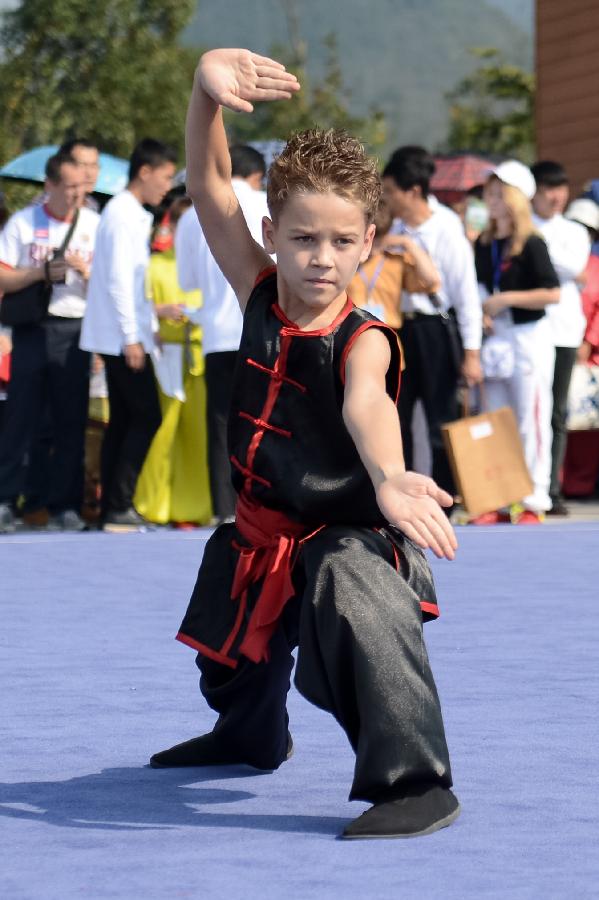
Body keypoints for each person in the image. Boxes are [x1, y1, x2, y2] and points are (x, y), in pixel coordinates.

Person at [150, 48, 460, 842]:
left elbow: (367, 407)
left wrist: (389, 478)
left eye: (340, 241)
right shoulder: (256, 287)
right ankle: (250, 734)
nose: (321, 258)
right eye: (303, 239)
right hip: (262, 523)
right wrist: (203, 94)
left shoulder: (364, 339)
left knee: (347, 584)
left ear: (368, 243)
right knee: (227, 648)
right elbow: (209, 186)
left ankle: (416, 781)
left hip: (343, 530)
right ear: (272, 235)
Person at [80, 138, 176, 531]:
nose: (168, 186)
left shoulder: (131, 213)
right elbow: (120, 281)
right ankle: (118, 503)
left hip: (119, 335)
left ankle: (112, 509)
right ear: (145, 172)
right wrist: (132, 337)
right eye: (166, 177)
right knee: (145, 416)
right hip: (120, 338)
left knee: (122, 421)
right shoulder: (123, 213)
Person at [0, 151, 99, 533]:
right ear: (50, 186)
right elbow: (4, 278)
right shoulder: (23, 223)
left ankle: (66, 506)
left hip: (75, 330)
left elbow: (106, 286)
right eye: (70, 187)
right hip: (32, 329)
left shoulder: (94, 223)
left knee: (70, 420)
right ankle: (8, 499)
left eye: (81, 187)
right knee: (20, 418)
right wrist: (41, 271)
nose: (77, 195)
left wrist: (86, 272)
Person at [175, 144, 269, 524]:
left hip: (215, 332)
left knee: (222, 424)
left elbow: (187, 280)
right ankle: (266, 507)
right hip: (263, 328)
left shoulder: (189, 216)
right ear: (256, 174)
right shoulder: (266, 202)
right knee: (267, 421)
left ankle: (226, 511)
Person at [382, 146, 483, 497]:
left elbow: (466, 293)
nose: (387, 198)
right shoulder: (391, 227)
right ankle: (402, 493)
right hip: (397, 329)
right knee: (398, 415)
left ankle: (446, 497)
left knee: (442, 416)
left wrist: (472, 352)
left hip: (435, 327)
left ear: (413, 191)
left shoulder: (447, 227)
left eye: (391, 192)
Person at [474, 161, 560, 523]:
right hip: (497, 340)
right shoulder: (485, 242)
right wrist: (481, 311)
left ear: (515, 198)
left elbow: (552, 293)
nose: (492, 201)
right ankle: (497, 497)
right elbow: (477, 287)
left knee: (530, 419)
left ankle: (533, 499)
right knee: (495, 419)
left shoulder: (533, 242)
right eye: (489, 194)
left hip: (528, 339)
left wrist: (505, 300)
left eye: (499, 194)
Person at [133, 197, 212, 526]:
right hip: (167, 355)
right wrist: (161, 312)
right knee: (165, 432)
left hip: (201, 357)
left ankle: (196, 507)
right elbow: (137, 307)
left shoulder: (209, 264)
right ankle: (154, 504)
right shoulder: (154, 265)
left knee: (200, 433)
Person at [530, 161, 590, 515]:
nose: (556, 196)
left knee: (556, 412)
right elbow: (568, 270)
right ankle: (526, 488)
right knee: (527, 412)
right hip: (528, 331)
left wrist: (538, 250)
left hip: (564, 332)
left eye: (561, 188)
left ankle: (552, 489)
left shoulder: (574, 230)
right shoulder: (519, 228)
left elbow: (573, 267)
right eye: (548, 189)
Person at [348, 199, 440, 327]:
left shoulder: (394, 261)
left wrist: (408, 244)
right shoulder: (347, 262)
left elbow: (431, 281)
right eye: (368, 239)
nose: (372, 249)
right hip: (350, 334)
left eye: (379, 240)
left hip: (388, 336)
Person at [562, 198, 599, 497]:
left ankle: (583, 483)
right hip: (559, 350)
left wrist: (589, 341)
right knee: (560, 418)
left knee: (587, 424)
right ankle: (559, 481)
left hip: (590, 358)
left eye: (587, 230)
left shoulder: (596, 266)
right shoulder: (558, 262)